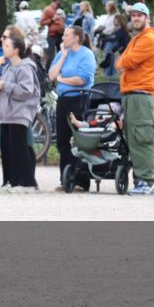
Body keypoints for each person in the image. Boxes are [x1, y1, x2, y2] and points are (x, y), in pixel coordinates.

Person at [115, 3, 154, 196]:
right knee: (134, 139)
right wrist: (123, 62)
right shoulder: (138, 39)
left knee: (141, 138)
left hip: (141, 96)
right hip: (132, 95)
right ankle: (141, 180)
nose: (135, 18)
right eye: (133, 15)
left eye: (139, 15)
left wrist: (123, 62)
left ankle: (147, 182)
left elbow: (125, 61)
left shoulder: (148, 38)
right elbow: (122, 62)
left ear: (147, 18)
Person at [49, 25, 97, 192]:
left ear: (76, 38)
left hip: (80, 99)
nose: (63, 38)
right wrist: (63, 56)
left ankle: (81, 180)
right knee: (62, 140)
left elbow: (82, 79)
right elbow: (51, 76)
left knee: (79, 139)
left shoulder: (86, 54)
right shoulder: (62, 53)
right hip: (63, 99)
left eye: (67, 35)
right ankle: (66, 178)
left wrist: (62, 79)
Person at [0, 31, 41, 191]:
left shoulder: (25, 67)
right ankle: (10, 180)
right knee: (7, 150)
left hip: (19, 114)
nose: (4, 48)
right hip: (6, 114)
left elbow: (26, 90)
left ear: (16, 50)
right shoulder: (8, 67)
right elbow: (4, 86)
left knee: (19, 150)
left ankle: (26, 183)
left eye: (7, 46)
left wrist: (5, 86)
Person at [40, 0, 65, 67]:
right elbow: (42, 23)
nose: (62, 2)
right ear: (57, 0)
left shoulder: (59, 10)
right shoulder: (48, 9)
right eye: (61, 1)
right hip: (52, 35)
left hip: (61, 35)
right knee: (51, 55)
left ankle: (60, 70)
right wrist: (52, 19)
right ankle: (46, 71)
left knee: (62, 53)